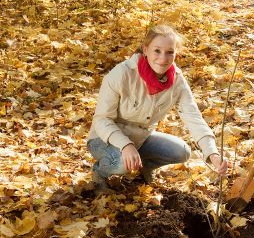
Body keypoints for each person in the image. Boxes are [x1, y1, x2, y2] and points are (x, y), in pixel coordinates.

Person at [87, 25, 228, 191]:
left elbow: (193, 116)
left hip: (140, 137)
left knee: (181, 152)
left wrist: (212, 153)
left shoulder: (176, 80)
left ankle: (144, 167)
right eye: (157, 51)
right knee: (121, 164)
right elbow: (102, 119)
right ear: (145, 49)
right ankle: (100, 172)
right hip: (104, 138)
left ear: (176, 53)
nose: (163, 58)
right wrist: (125, 145)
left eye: (170, 52)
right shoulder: (122, 74)